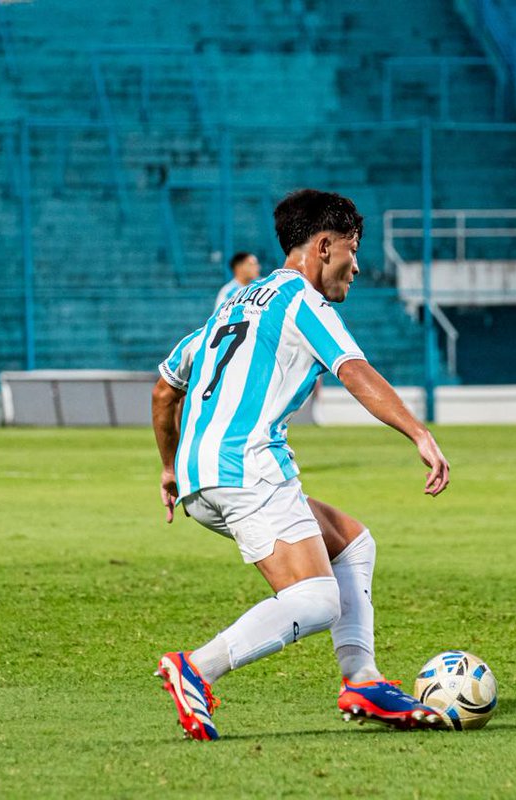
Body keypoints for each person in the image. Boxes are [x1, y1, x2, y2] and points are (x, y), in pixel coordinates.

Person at [151, 189, 451, 740]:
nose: (356, 268)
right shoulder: (302, 301)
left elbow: (166, 388)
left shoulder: (235, 303)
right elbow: (354, 370)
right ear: (323, 245)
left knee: (353, 542)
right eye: (352, 252)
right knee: (315, 599)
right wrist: (419, 433)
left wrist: (170, 470)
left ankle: (362, 678)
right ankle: (197, 668)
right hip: (247, 466)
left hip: (201, 477)